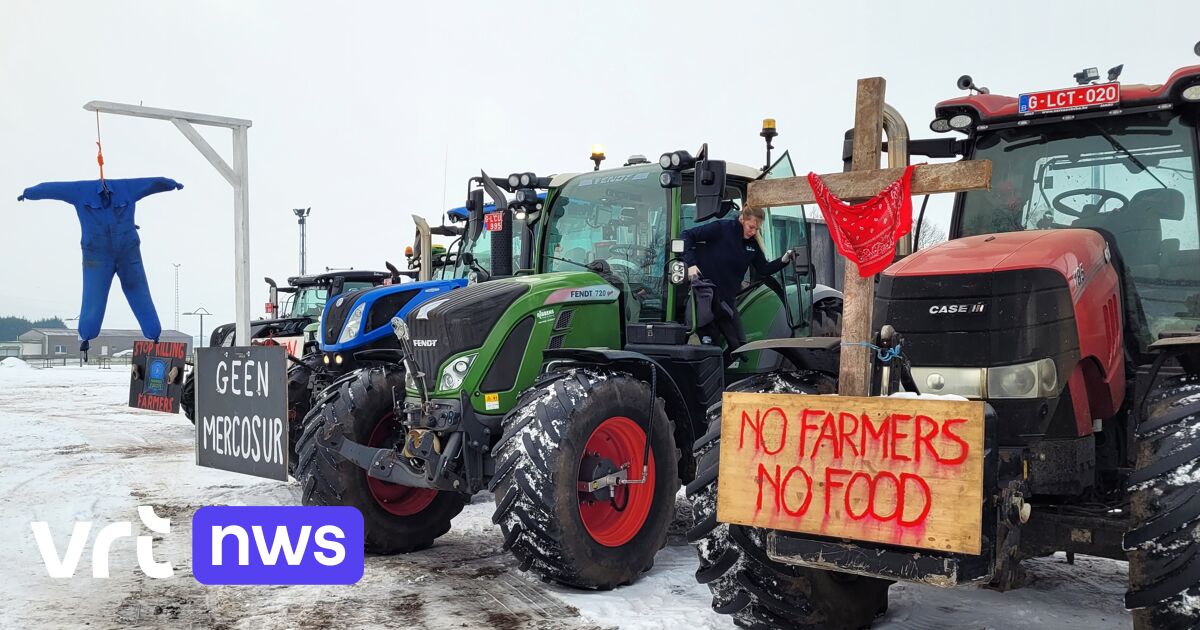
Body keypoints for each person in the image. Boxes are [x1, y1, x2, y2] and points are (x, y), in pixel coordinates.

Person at [681, 206, 794, 363]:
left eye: (757, 229)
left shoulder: (752, 245)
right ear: (742, 219)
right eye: (751, 227)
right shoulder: (721, 229)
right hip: (706, 297)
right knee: (710, 345)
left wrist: (784, 259)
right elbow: (686, 235)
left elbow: (763, 269)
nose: (753, 232)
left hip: (727, 301)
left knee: (740, 347)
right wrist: (691, 264)